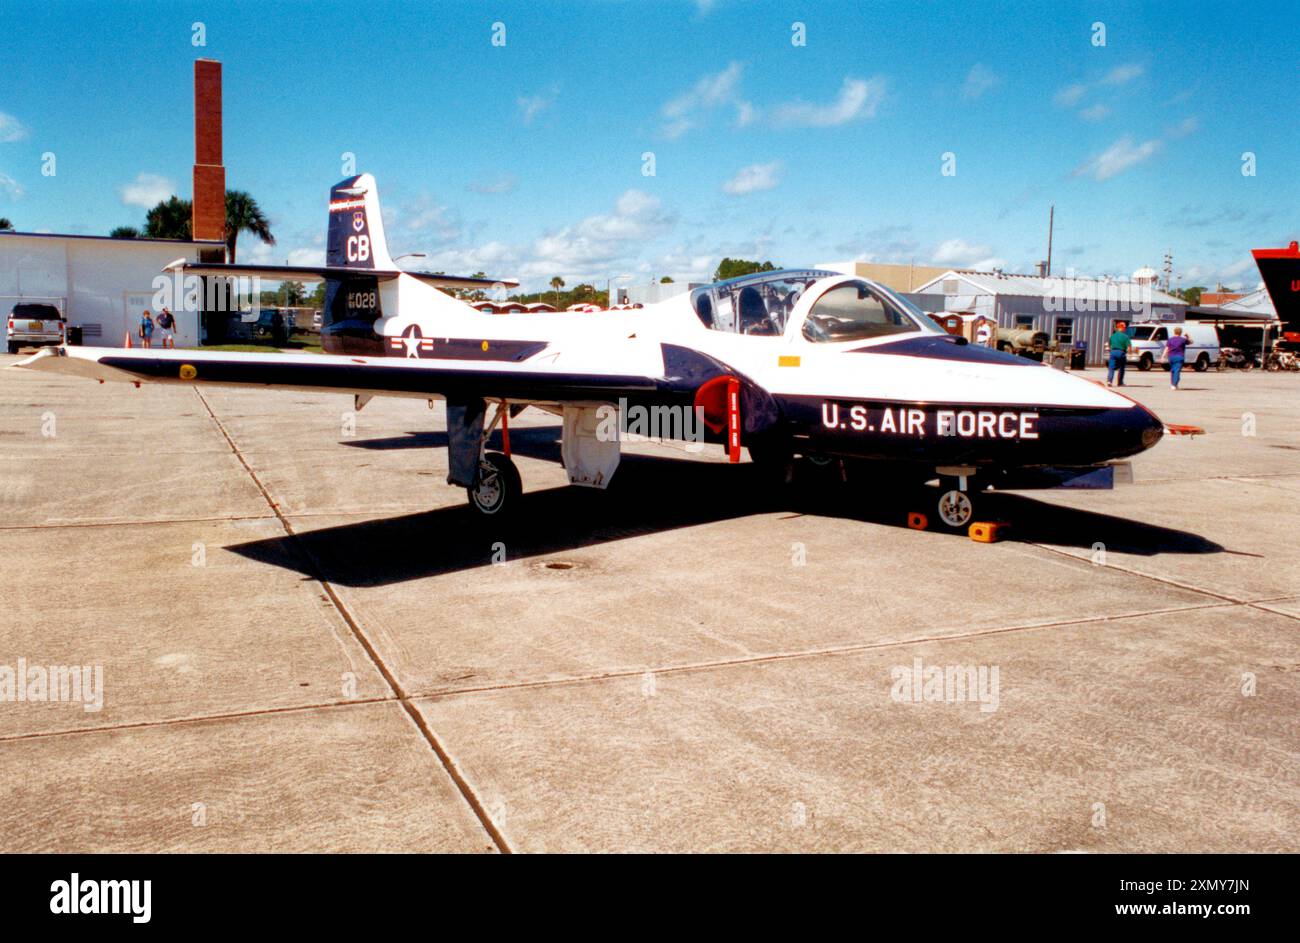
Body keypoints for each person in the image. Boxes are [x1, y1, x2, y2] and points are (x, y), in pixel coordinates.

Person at [1164, 325, 1189, 390]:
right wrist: (1187, 336)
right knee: (1177, 371)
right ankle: (1174, 384)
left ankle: (1173, 384)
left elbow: (1166, 348)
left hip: (1171, 357)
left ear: (1174, 332)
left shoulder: (1170, 340)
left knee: (1172, 370)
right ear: (1180, 332)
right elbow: (1191, 342)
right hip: (1179, 357)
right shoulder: (1183, 340)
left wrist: (1163, 356)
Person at [1106, 321, 1130, 386]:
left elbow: (1109, 345)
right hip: (1121, 352)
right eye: (1124, 327)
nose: (1125, 329)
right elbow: (1129, 347)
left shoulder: (1112, 336)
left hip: (1113, 352)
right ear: (1121, 328)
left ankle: (1109, 381)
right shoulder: (1125, 337)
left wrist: (1111, 350)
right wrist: (1128, 352)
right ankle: (1120, 382)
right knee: (1121, 368)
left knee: (1111, 367)